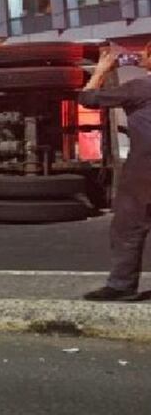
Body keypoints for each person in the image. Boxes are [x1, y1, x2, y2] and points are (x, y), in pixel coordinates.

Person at [80, 44, 151, 302]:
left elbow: (87, 99)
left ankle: (122, 285)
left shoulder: (140, 87)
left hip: (145, 169)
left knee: (128, 226)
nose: (140, 56)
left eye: (146, 52)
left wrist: (101, 70)